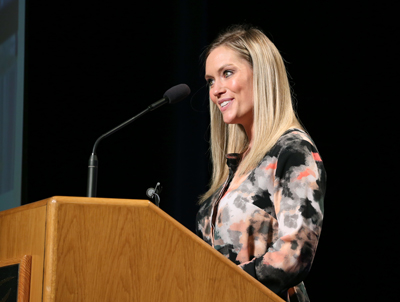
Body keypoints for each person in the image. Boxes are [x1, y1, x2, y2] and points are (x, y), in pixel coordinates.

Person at [196, 25, 326, 302]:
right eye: (210, 80)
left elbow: (295, 254)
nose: (216, 90)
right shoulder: (239, 160)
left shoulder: (292, 151)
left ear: (262, 75)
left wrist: (222, 286)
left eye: (227, 73)